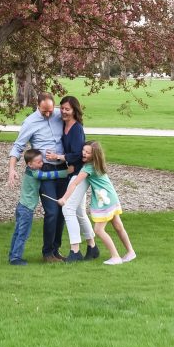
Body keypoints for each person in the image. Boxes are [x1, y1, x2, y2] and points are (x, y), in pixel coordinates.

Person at [7, 92, 66, 262]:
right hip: (45, 169)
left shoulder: (58, 115)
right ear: (38, 106)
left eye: (50, 110)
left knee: (61, 212)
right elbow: (18, 146)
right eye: (44, 111)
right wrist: (11, 169)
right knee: (52, 211)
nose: (48, 114)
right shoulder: (30, 122)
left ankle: (55, 250)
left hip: (61, 165)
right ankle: (47, 253)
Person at [57, 141, 136, 265]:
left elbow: (74, 183)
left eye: (88, 152)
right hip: (111, 197)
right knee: (118, 226)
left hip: (104, 200)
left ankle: (115, 256)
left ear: (95, 155)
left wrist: (64, 198)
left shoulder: (88, 167)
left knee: (99, 230)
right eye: (84, 150)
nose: (84, 153)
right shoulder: (98, 164)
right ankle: (130, 252)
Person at [46, 96, 99, 263]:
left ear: (75, 110)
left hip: (79, 174)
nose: (63, 112)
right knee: (79, 212)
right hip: (72, 172)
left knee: (67, 209)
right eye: (61, 108)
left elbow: (77, 153)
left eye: (67, 109)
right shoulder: (64, 125)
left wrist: (59, 157)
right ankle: (92, 247)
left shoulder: (76, 129)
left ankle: (75, 251)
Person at [8, 149, 70, 265]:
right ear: (30, 164)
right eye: (38, 162)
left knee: (18, 232)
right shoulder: (35, 173)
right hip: (26, 209)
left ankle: (12, 255)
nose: (42, 164)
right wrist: (66, 172)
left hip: (22, 207)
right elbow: (49, 175)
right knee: (23, 234)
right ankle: (16, 258)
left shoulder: (29, 170)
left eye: (42, 161)